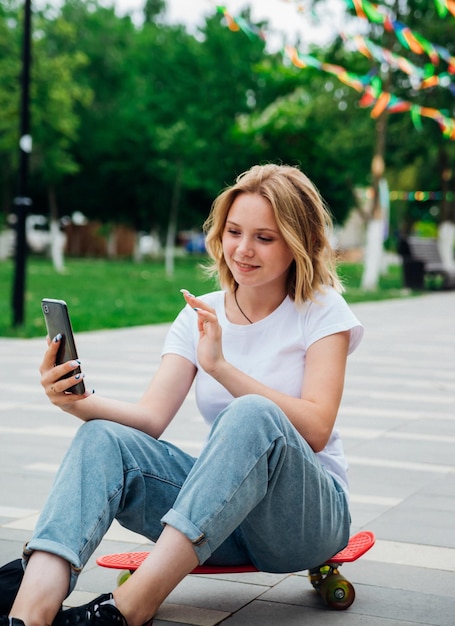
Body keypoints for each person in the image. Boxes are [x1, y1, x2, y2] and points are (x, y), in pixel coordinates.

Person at [1, 163, 363, 626]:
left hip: (305, 522)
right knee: (101, 438)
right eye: (233, 231)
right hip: (221, 521)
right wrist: (73, 401)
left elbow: (315, 429)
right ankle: (28, 614)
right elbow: (151, 420)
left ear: (298, 243)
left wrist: (220, 368)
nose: (243, 250)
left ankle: (128, 612)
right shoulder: (200, 313)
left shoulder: (322, 310)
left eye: (265, 238)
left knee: (252, 414)